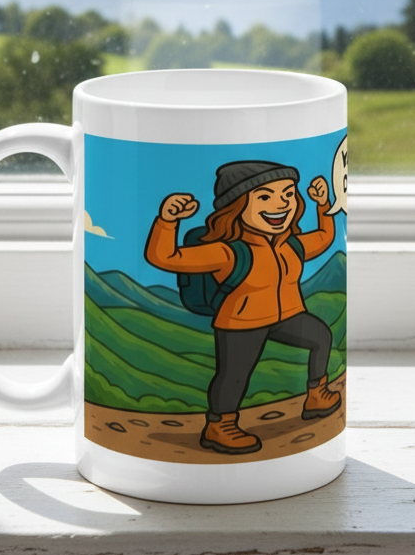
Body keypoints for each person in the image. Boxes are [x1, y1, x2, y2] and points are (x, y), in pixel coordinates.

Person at [144, 160, 342, 455]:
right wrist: (167, 221)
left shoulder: (292, 246)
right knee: (234, 375)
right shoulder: (229, 251)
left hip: (287, 315)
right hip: (241, 322)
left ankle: (316, 395)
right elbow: (165, 257)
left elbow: (325, 238)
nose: (280, 204)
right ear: (236, 206)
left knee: (321, 338)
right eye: (264, 197)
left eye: (288, 194)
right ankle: (219, 425)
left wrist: (323, 206)